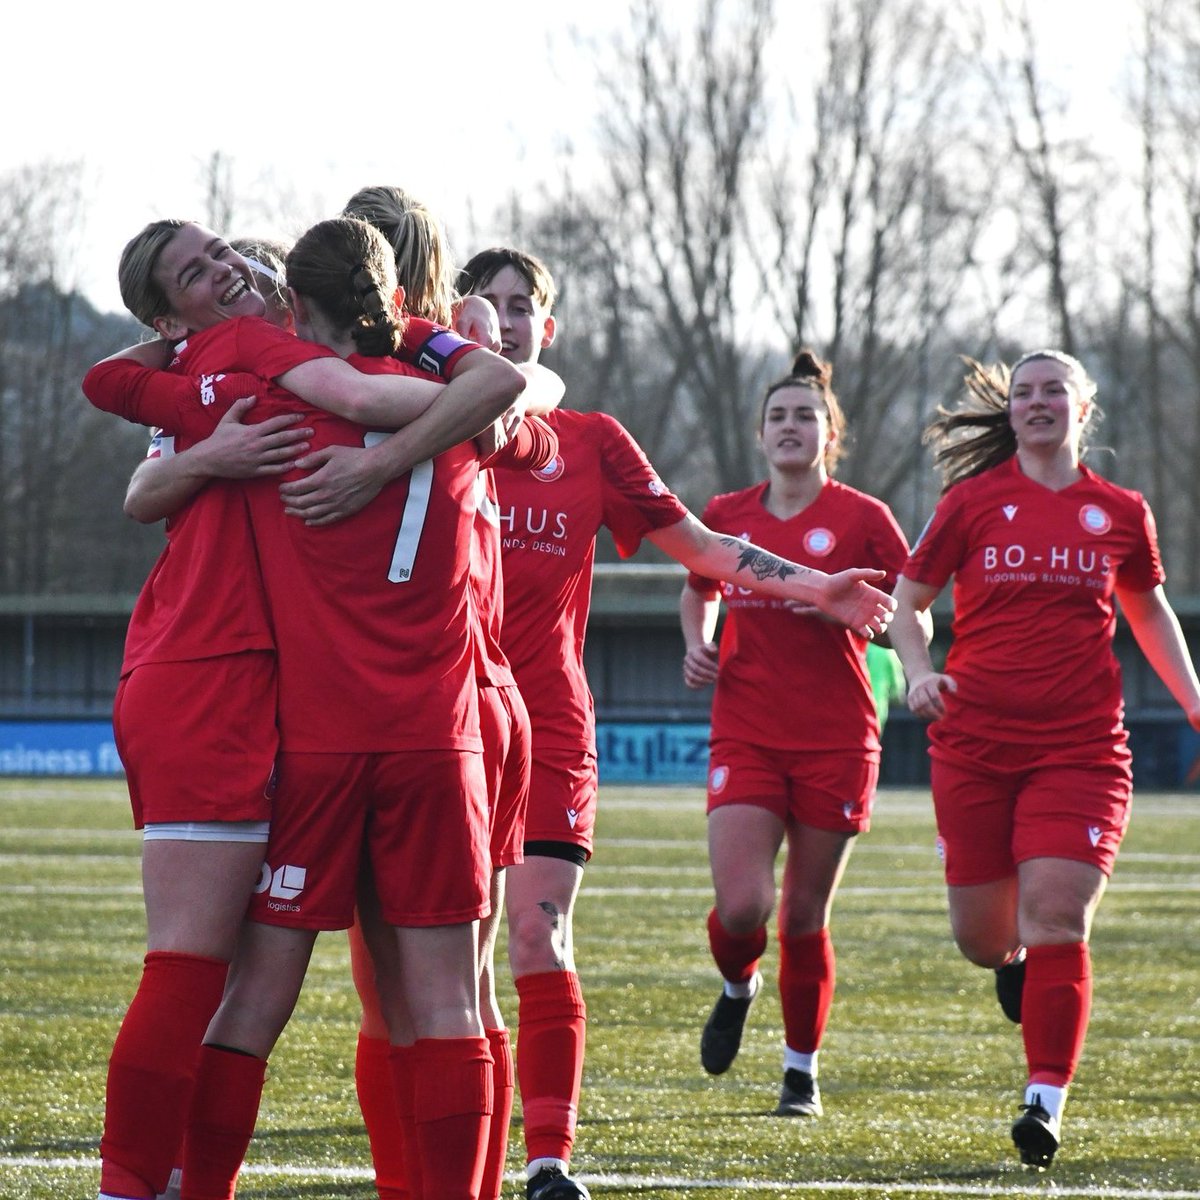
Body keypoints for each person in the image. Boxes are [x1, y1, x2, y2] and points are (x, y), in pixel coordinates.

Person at [83, 218, 521, 1200]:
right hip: (443, 730)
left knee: (250, 994)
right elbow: (504, 394)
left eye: (240, 262)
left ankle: (165, 1188)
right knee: (445, 997)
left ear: (290, 299)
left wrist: (187, 361)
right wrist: (436, 356)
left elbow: (116, 407)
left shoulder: (253, 389)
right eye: (203, 269)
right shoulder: (454, 414)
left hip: (313, 736)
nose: (231, 273)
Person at [455, 247, 898, 1200]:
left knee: (538, 939)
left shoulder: (593, 441)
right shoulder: (422, 430)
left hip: (549, 731)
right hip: (438, 730)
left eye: (524, 305)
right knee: (460, 963)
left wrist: (820, 584)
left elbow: (701, 547)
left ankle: (548, 1162)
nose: (508, 319)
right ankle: (459, 1165)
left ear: (549, 328)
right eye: (487, 306)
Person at [887, 351, 1200, 1170]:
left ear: (1083, 409)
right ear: (1013, 412)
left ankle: (1044, 1099)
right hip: (974, 745)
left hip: (1083, 751)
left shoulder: (1120, 511)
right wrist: (920, 674)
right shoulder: (971, 503)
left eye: (1053, 391)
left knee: (1059, 917)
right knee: (985, 940)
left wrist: (1198, 700)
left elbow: (1148, 609)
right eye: (1024, 393)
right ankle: (1014, 963)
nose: (1036, 403)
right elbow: (908, 605)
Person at [680, 351, 916, 1117]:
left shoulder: (864, 520)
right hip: (745, 729)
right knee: (743, 906)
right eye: (777, 415)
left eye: (804, 416)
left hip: (838, 737)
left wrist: (866, 627)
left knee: (806, 915)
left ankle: (799, 1072)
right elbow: (700, 586)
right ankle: (736, 983)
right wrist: (698, 640)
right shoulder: (726, 513)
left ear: (829, 433)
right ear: (759, 434)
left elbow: (911, 615)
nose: (789, 426)